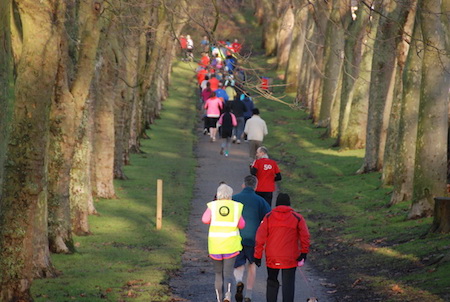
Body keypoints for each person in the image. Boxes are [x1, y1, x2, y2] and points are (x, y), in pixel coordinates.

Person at [254, 193, 310, 302]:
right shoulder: (297, 217)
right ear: (289, 204)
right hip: (290, 256)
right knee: (288, 283)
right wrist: (304, 252)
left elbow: (260, 237)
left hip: (272, 256)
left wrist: (258, 255)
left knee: (272, 281)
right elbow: (305, 236)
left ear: (276, 204)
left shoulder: (268, 217)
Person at [202, 184, 245, 302]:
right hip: (230, 246)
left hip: (215, 245)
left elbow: (205, 220)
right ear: (230, 195)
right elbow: (242, 224)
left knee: (218, 274)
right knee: (228, 274)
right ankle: (227, 296)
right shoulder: (236, 207)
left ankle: (219, 299)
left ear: (218, 195)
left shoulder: (213, 206)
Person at [232, 175, 271, 302]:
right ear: (255, 186)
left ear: (243, 184)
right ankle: (249, 293)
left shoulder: (234, 198)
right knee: (252, 265)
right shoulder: (260, 201)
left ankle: (238, 281)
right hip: (254, 238)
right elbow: (268, 217)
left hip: (237, 237)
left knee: (238, 264)